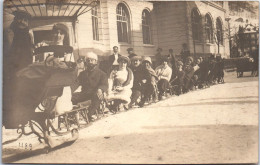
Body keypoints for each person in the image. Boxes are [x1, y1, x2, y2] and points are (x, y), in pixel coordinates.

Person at [72, 52, 108, 121]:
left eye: (92, 60)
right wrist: (68, 91)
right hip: (84, 93)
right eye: (88, 60)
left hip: (95, 93)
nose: (90, 62)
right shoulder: (82, 74)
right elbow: (76, 84)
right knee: (72, 97)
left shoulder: (102, 74)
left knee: (97, 96)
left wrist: (100, 89)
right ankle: (72, 115)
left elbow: (104, 84)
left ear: (96, 62)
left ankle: (90, 114)